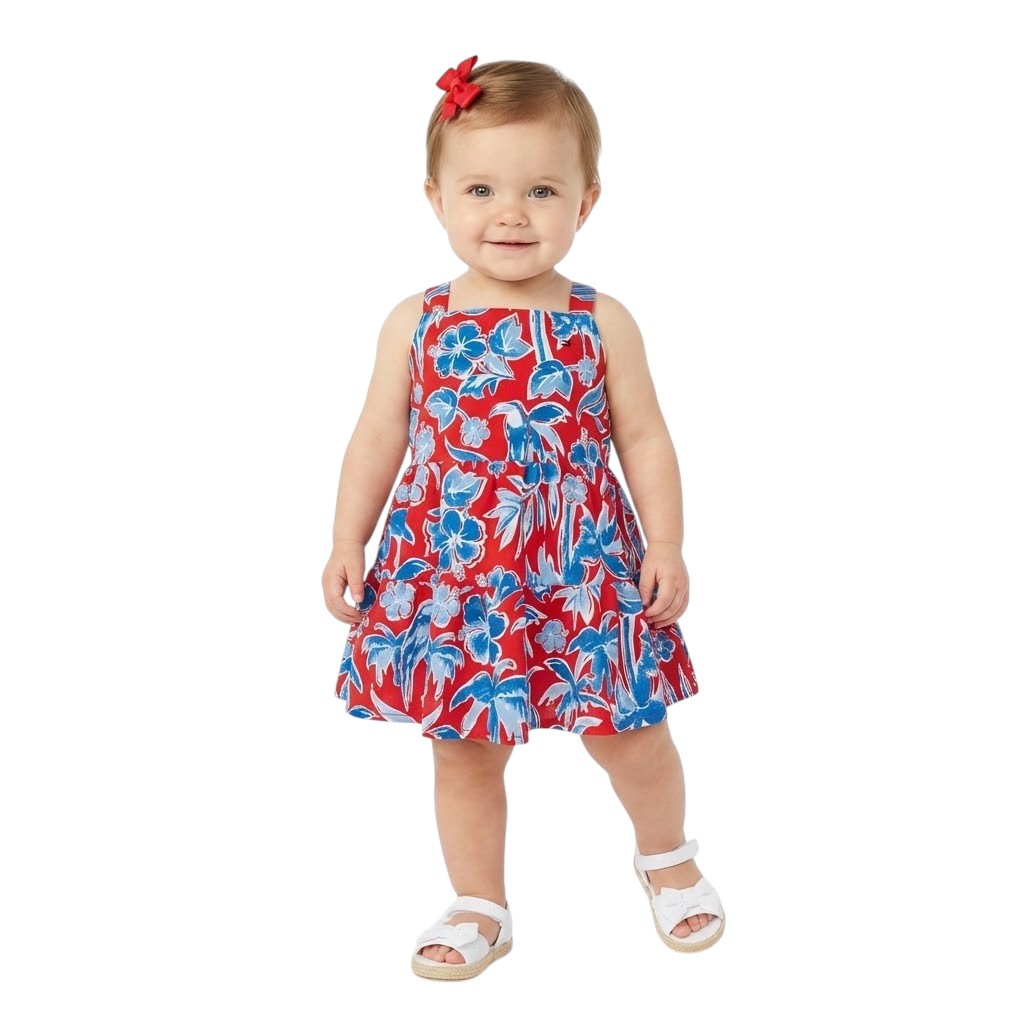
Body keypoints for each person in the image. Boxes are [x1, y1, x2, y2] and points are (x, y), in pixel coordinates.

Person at [321, 56, 725, 980]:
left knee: (630, 733)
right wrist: (348, 538)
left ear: (587, 202)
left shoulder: (600, 320)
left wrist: (667, 543)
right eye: (481, 190)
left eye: (541, 190)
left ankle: (668, 857)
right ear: (436, 199)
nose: (511, 213)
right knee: (463, 751)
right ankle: (480, 902)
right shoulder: (416, 321)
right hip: (457, 574)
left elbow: (645, 437)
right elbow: (378, 434)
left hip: (582, 569)